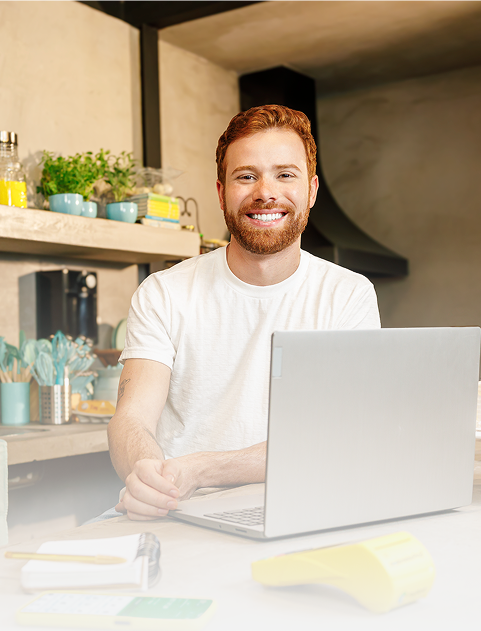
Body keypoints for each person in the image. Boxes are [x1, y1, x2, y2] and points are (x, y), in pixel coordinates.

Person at [107, 104, 380, 521]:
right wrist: (147, 474)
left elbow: (340, 433)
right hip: (181, 513)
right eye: (246, 176)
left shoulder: (347, 296)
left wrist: (203, 468)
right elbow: (132, 420)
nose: (265, 192)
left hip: (308, 507)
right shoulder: (163, 292)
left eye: (285, 174)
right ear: (221, 193)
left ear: (311, 191)